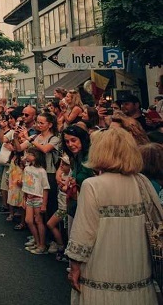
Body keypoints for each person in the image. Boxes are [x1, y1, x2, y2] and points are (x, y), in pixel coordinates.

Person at [66, 127, 158, 304]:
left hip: (102, 268)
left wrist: (74, 266)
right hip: (138, 265)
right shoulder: (142, 181)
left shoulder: (92, 185)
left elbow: (83, 232)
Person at [22, 147, 49, 254]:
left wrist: (44, 204)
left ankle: (41, 245)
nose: (27, 155)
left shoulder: (41, 171)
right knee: (28, 220)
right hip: (29, 197)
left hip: (38, 197)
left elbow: (45, 188)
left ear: (35, 156)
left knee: (38, 221)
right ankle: (37, 242)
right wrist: (24, 198)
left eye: (29, 154)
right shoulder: (27, 168)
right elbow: (25, 184)